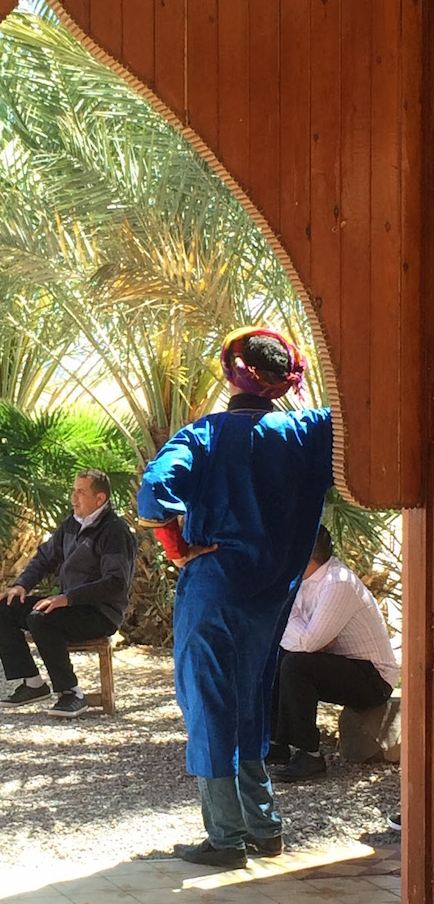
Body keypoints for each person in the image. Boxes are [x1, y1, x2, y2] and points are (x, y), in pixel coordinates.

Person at [138, 326, 333, 868]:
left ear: (231, 373)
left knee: (208, 703)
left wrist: (179, 547)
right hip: (272, 593)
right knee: (252, 701)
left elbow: (154, 496)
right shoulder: (312, 432)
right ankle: (264, 827)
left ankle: (225, 838)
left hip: (214, 588)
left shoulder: (205, 435)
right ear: (285, 379)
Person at [0, 470, 137, 718]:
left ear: (100, 499)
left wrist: (68, 598)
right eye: (73, 490)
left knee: (41, 618)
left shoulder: (115, 531)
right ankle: (33, 683)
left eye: (81, 492)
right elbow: (45, 558)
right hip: (68, 605)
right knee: (3, 608)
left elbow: (115, 582)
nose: (73, 498)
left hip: (99, 613)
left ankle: (72, 694)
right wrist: (21, 585)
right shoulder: (71, 524)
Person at [269, 525, 399, 781]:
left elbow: (307, 641)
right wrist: (299, 631)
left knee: (296, 665)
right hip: (340, 665)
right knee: (279, 657)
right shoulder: (307, 579)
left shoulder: (337, 583)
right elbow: (305, 638)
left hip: (373, 678)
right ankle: (277, 743)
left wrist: (289, 620)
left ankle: (310, 756)